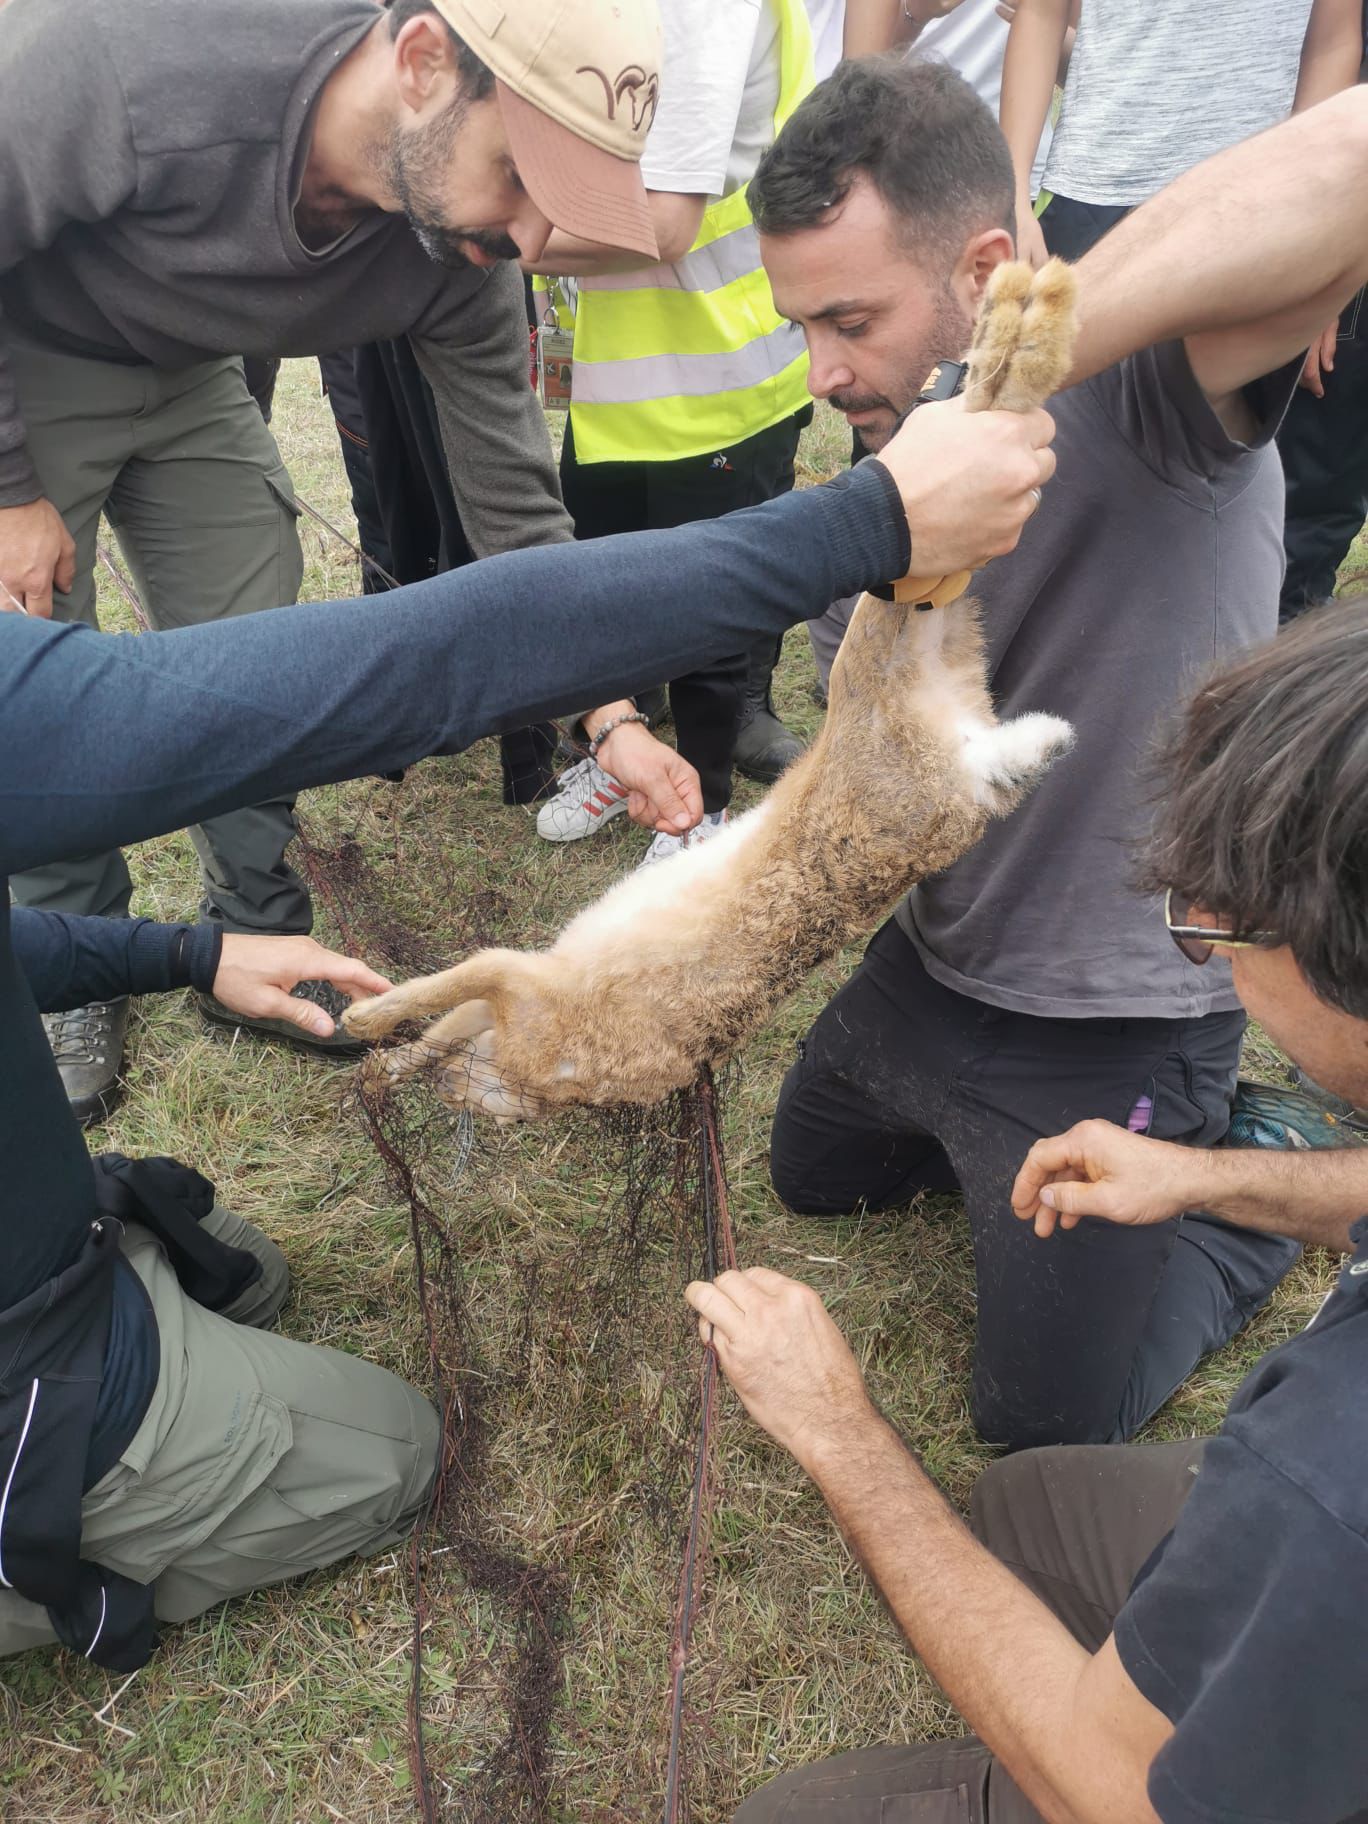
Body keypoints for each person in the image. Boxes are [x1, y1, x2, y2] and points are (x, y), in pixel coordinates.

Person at [0, 395, 1054, 1667]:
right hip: (31, 1356)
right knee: (394, 1451)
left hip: (56, 1245)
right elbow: (407, 666)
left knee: (248, 1273)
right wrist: (863, 520)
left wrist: (186, 949)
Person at [749, 63, 1368, 1450]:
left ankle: (1226, 1188)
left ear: (982, 272)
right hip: (942, 967)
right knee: (810, 1178)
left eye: (850, 321)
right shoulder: (886, 469)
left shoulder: (1159, 399)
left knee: (1040, 1437)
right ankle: (992, 1162)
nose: (823, 373)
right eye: (802, 327)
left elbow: (1351, 159)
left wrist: (1016, 371)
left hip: (1123, 1015)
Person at [687, 600, 1368, 1824]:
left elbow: (1119, 1799)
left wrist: (840, 1429)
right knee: (1020, 1508)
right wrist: (1199, 1174)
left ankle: (1229, 1245)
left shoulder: (1324, 1459)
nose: (1206, 959)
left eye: (1217, 926)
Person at [0, 0, 663, 1114]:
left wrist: (614, 719)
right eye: (518, 177)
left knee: (254, 646)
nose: (534, 243)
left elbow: (514, 502)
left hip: (195, 367)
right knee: (47, 675)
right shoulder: (125, 58)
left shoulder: (468, 251)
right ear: (421, 65)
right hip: (35, 350)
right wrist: (10, 485)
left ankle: (255, 928)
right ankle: (80, 963)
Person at [526, 0, 822, 851]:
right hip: (624, 369)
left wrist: (499, 227)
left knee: (708, 616)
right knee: (602, 579)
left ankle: (706, 811)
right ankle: (625, 761)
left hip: (719, 368)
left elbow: (664, 219)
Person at [1000, 0, 1363, 266]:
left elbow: (1331, 42)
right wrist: (1012, 195)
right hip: (1096, 193)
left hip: (1261, 206)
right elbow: (1041, 12)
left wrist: (1317, 220)